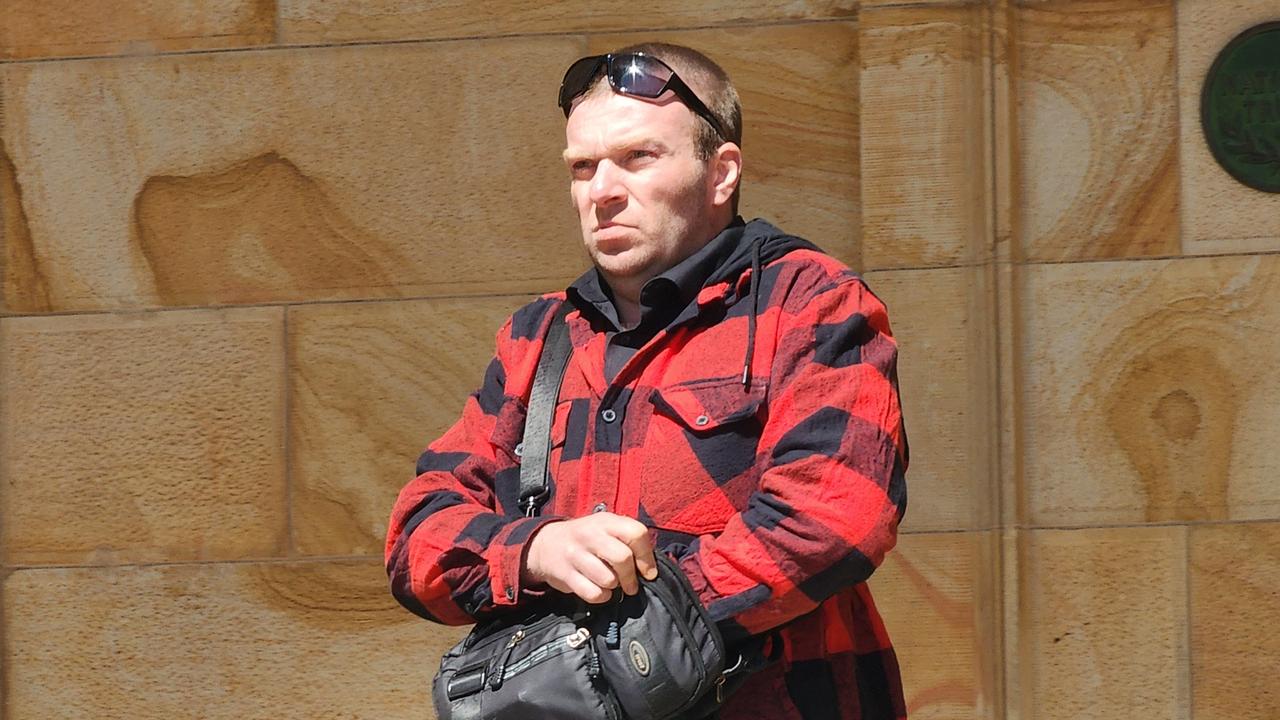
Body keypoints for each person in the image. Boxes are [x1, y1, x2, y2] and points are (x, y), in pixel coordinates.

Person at [387, 42, 909, 720]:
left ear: (722, 174)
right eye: (583, 166)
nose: (602, 190)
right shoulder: (536, 337)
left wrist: (622, 641)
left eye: (638, 158)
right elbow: (418, 537)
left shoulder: (811, 301)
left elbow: (836, 518)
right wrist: (537, 549)